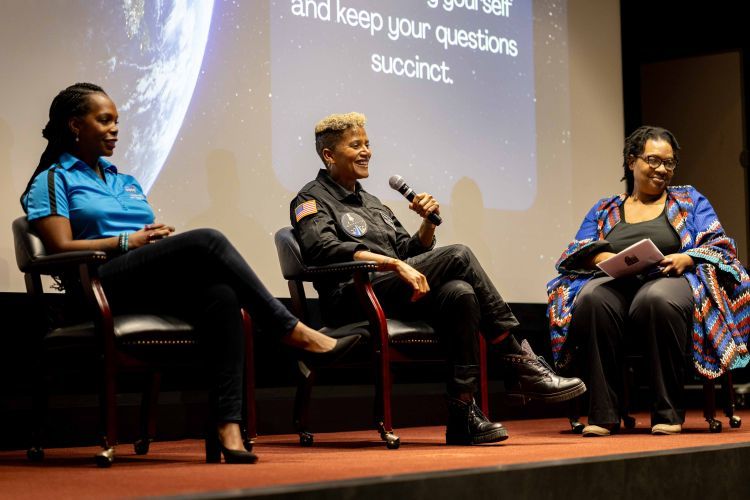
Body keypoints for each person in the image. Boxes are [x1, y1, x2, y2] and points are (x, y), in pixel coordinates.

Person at [20, 83, 360, 464]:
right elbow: (57, 247)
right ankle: (292, 331)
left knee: (222, 297)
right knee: (207, 240)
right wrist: (127, 242)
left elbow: (142, 237)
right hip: (97, 284)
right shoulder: (53, 178)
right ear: (75, 125)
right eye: (104, 120)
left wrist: (150, 241)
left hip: (141, 281)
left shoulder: (125, 181)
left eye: (117, 121)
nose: (115, 128)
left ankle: (227, 426)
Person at [290, 112, 586, 445]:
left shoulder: (372, 204)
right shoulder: (311, 198)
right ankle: (519, 360)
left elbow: (408, 250)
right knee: (459, 254)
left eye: (368, 144)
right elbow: (322, 248)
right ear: (329, 154)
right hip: (352, 298)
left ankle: (463, 414)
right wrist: (393, 264)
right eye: (356, 145)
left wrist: (427, 224)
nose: (367, 152)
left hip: (390, 293)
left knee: (460, 292)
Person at [547, 125, 750, 437]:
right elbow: (578, 250)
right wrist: (602, 259)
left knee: (654, 299)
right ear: (632, 161)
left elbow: (719, 244)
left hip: (672, 280)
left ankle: (667, 411)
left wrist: (689, 257)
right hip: (617, 284)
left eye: (669, 163)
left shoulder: (689, 200)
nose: (662, 170)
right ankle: (604, 414)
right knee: (591, 299)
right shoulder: (605, 209)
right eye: (653, 160)